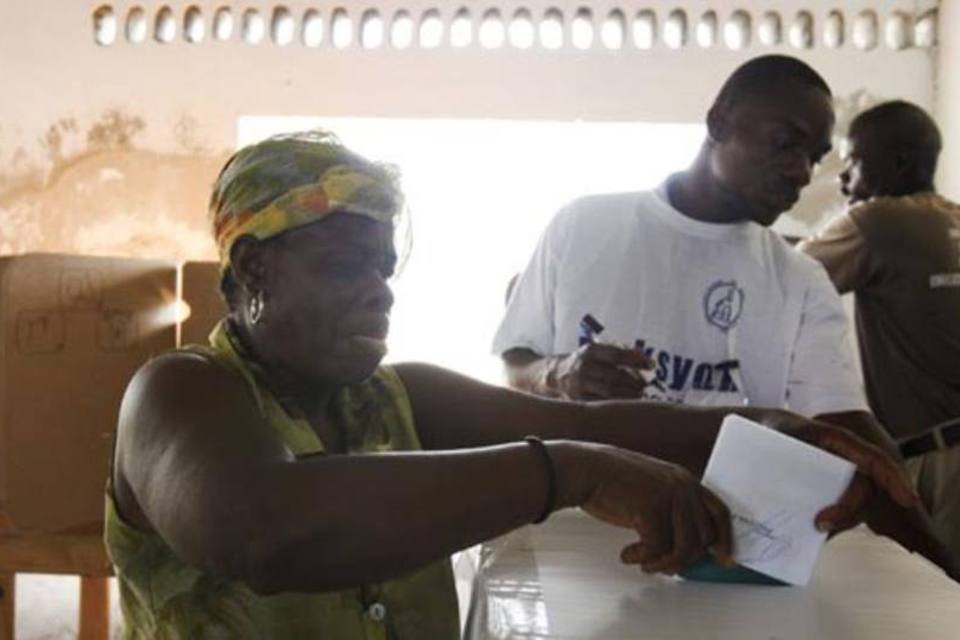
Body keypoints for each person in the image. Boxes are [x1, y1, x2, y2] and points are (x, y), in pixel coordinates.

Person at [105, 131, 916, 638]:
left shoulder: (401, 398)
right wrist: (565, 472)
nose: (381, 290)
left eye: (386, 268)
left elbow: (627, 432)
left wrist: (778, 428)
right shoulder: (178, 395)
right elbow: (264, 532)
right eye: (347, 265)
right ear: (252, 268)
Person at [492, 56, 958, 576]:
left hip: (720, 555)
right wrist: (559, 372)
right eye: (785, 143)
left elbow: (842, 424)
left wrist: (941, 563)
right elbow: (517, 361)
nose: (802, 171)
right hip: (569, 547)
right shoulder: (582, 227)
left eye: (814, 155)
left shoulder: (799, 279)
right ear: (718, 122)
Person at [799, 100, 960, 555]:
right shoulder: (950, 218)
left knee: (938, 607)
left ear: (899, 163)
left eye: (853, 163)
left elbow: (783, 278)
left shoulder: (878, 221)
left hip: (940, 460)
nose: (844, 180)